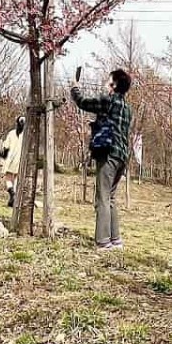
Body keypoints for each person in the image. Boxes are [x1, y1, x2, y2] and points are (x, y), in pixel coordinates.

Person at [71, 69, 133, 251]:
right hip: (122, 157)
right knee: (111, 198)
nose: (106, 84)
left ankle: (103, 241)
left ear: (114, 86)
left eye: (108, 82)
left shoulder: (108, 101)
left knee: (102, 198)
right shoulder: (128, 109)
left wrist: (75, 89)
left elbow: (83, 102)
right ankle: (115, 240)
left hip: (108, 154)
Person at [0, 117, 25, 207]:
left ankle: (12, 194)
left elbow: (5, 147)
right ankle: (15, 197)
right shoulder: (26, 135)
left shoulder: (11, 133)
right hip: (21, 159)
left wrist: (2, 157)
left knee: (8, 177)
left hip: (10, 159)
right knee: (17, 177)